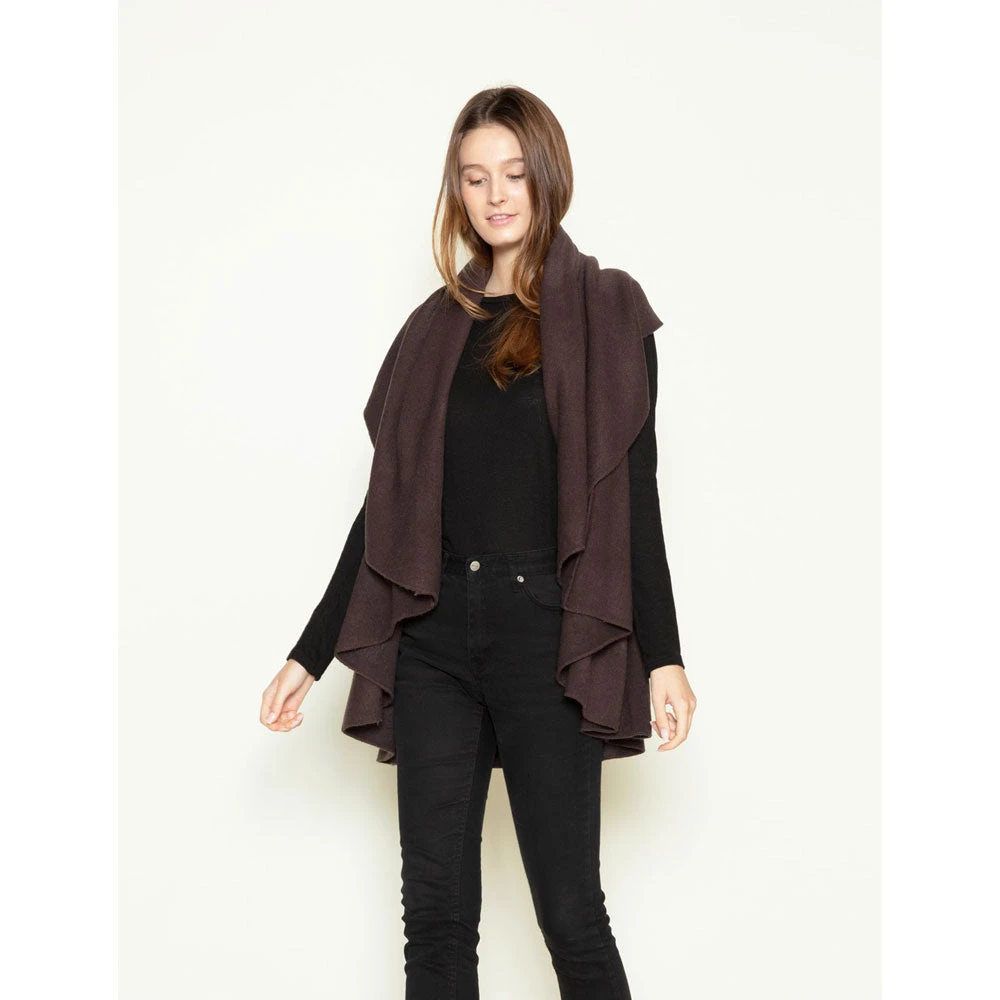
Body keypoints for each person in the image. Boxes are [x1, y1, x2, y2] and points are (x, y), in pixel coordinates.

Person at [260, 85, 698, 999]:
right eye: (473, 177)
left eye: (513, 173)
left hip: (548, 632)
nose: (495, 195)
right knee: (435, 917)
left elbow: (634, 496)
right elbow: (388, 511)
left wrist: (663, 656)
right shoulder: (433, 329)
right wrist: (312, 652)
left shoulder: (607, 311)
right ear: (455, 191)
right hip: (432, 637)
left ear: (548, 176)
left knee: (571, 913)